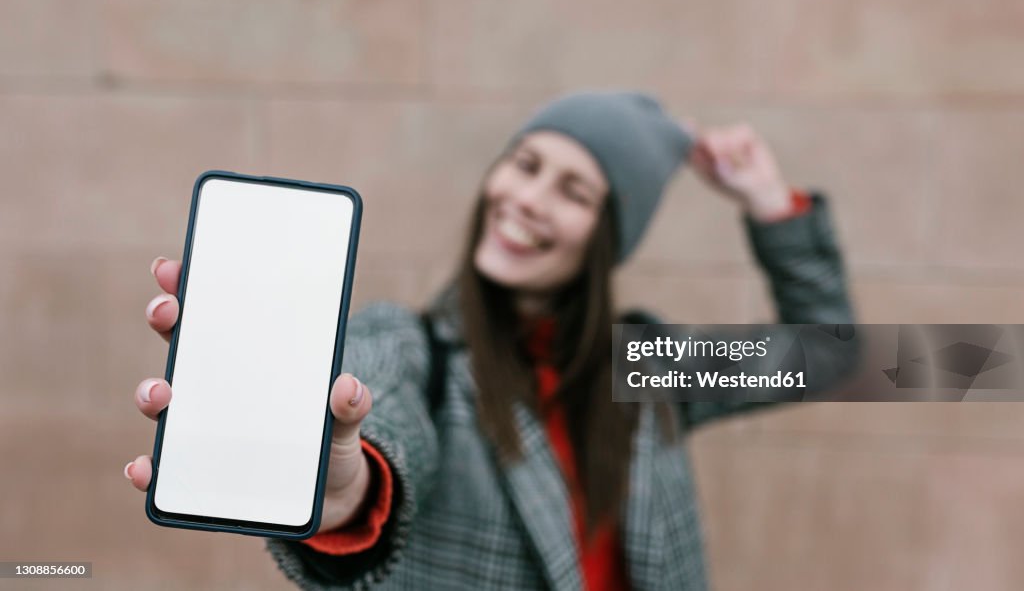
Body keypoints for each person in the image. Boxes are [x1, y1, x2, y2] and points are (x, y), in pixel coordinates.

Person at [125, 92, 853, 590]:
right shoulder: (412, 347)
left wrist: (769, 203)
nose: (528, 199)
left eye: (574, 191)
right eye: (525, 164)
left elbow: (829, 357)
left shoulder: (644, 367)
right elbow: (381, 434)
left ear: (608, 237)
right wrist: (345, 488)